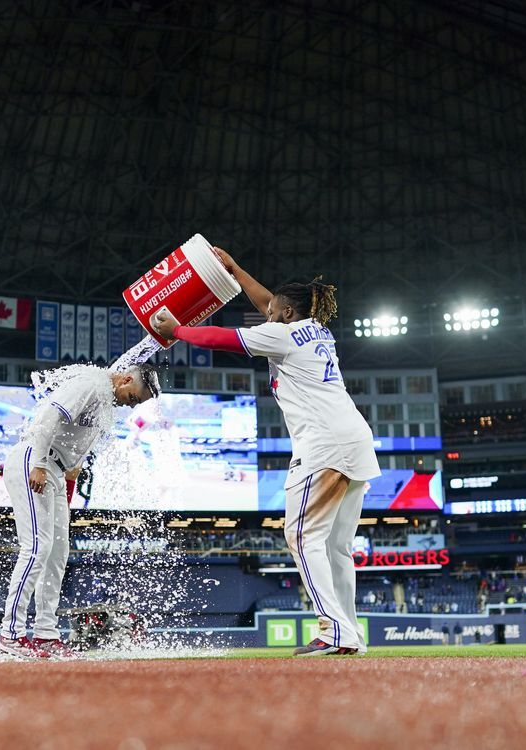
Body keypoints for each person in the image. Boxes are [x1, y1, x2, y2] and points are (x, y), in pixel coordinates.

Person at [155, 247, 380, 657]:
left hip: (324, 444)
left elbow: (222, 338)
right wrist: (237, 270)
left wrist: (178, 330)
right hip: (355, 441)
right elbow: (266, 302)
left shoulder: (280, 333)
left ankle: (333, 632)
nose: (266, 314)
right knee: (335, 548)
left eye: (273, 311)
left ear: (287, 313)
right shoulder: (314, 330)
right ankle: (349, 635)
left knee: (301, 535)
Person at [0, 363, 159, 659]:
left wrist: (69, 469)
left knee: (57, 554)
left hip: (56, 470)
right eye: (133, 397)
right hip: (35, 460)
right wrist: (41, 464)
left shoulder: (106, 397)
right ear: (125, 380)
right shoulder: (91, 384)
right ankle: (10, 633)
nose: (130, 404)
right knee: (36, 548)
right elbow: (49, 415)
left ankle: (45, 634)